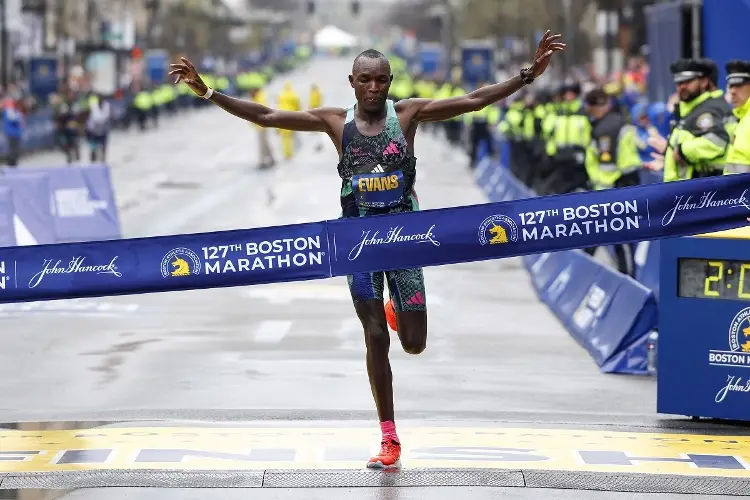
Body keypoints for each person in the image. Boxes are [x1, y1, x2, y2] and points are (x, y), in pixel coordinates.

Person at [169, 30, 565, 470]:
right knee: (374, 336)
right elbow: (266, 115)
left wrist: (527, 75)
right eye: (365, 80)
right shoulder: (336, 122)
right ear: (352, 81)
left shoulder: (408, 114)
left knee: (413, 344)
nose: (374, 88)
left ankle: (399, 311)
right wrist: (206, 90)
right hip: (358, 242)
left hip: (405, 239)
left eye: (381, 80)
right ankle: (389, 438)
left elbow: (473, 100)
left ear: (390, 82)